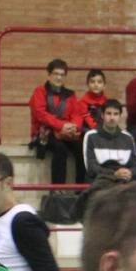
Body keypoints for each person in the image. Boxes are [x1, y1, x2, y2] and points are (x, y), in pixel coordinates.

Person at [28, 58, 88, 188]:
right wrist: (62, 126)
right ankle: (58, 189)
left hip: (66, 132)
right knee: (60, 148)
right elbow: (40, 115)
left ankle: (81, 188)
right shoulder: (40, 92)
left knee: (82, 147)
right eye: (56, 74)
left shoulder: (70, 95)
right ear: (49, 74)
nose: (59, 78)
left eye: (62, 75)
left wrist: (73, 127)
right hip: (45, 132)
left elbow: (76, 114)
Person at [81, 97, 136, 190]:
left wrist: (130, 172)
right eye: (108, 113)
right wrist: (114, 174)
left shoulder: (128, 137)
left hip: (123, 184)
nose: (112, 118)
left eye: (116, 114)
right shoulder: (91, 136)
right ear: (102, 115)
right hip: (99, 185)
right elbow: (91, 168)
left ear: (120, 116)